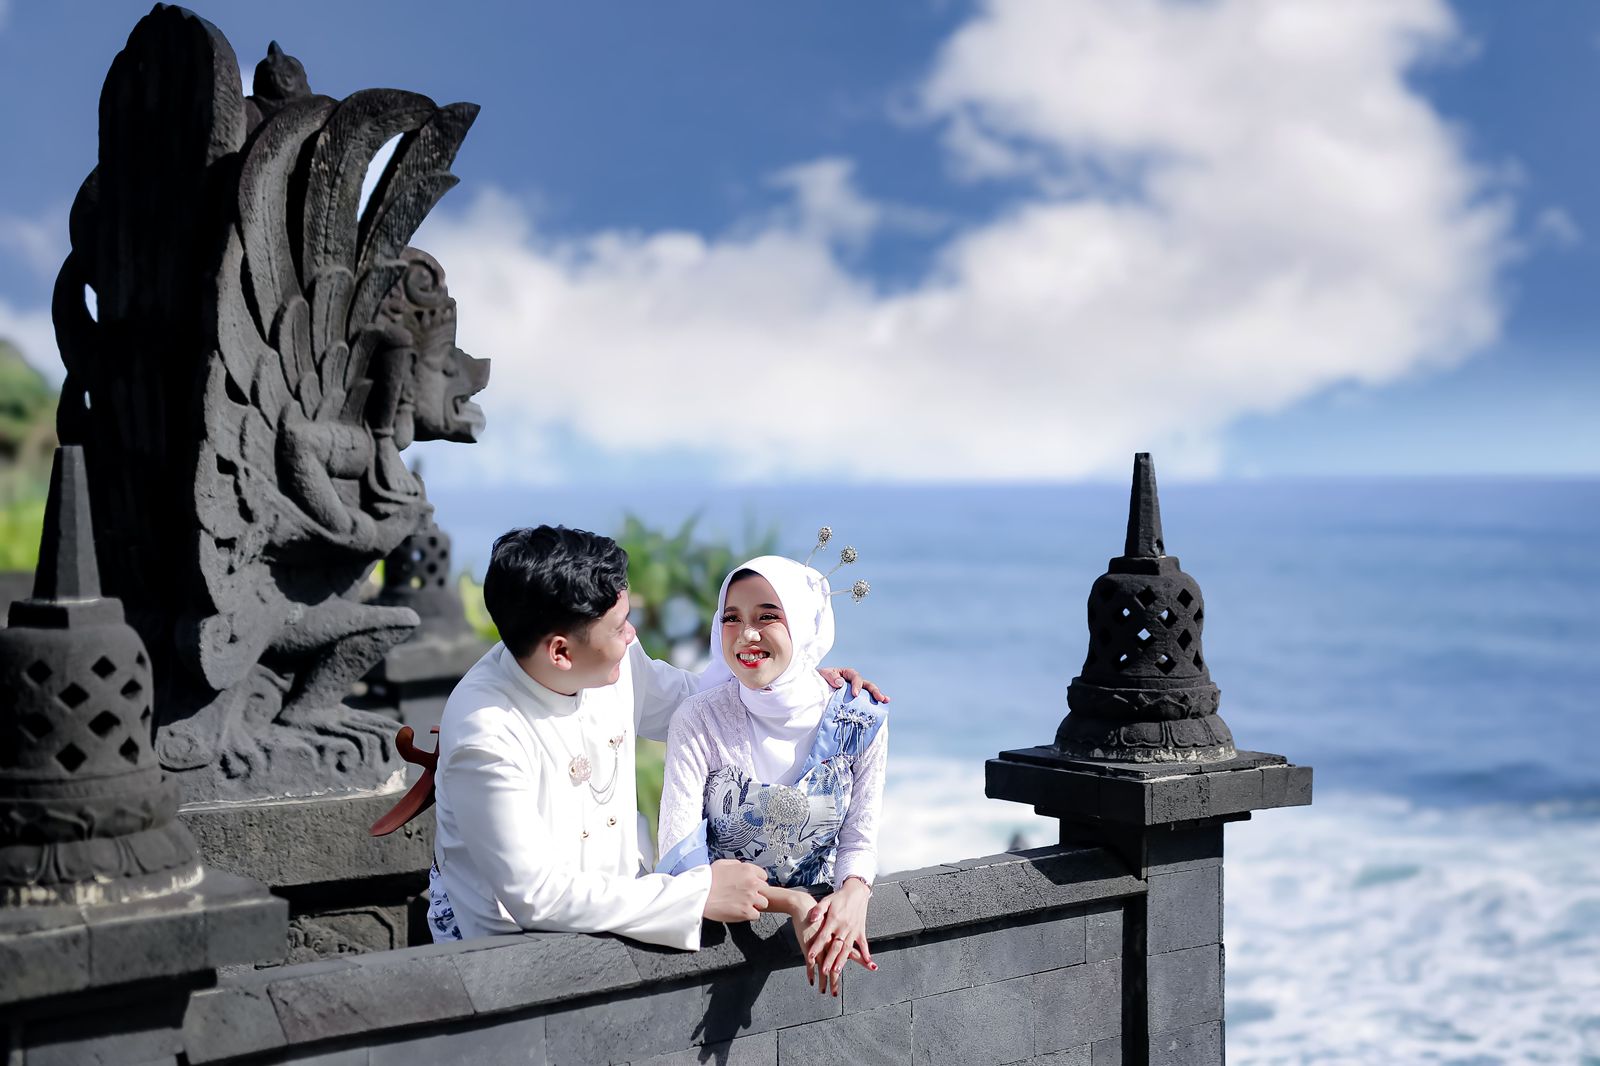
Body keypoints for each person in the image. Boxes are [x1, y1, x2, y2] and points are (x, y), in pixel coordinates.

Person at [426, 524, 880, 950]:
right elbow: (536, 896)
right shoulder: (484, 734)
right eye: (619, 627)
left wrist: (800, 684)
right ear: (561, 652)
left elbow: (706, 704)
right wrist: (695, 894)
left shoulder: (614, 658)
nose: (632, 634)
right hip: (509, 949)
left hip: (625, 911)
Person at [655, 553, 888, 995]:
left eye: (767, 617)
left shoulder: (859, 717)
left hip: (829, 941)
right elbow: (680, 861)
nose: (746, 634)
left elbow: (858, 841)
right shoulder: (699, 720)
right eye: (731, 618)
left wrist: (855, 894)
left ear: (802, 624)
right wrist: (793, 903)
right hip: (718, 958)